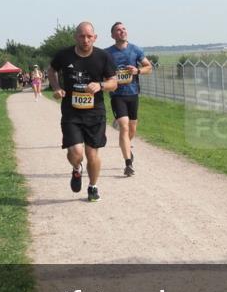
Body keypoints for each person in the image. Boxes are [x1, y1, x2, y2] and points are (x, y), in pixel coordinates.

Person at [47, 22, 116, 202]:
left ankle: (93, 187)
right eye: (81, 36)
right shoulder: (64, 55)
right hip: (71, 112)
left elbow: (113, 82)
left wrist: (100, 85)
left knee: (92, 154)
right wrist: (56, 87)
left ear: (95, 37)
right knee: (77, 153)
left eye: (89, 36)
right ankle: (76, 168)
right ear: (75, 37)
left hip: (95, 113)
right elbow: (51, 70)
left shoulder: (103, 57)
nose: (85, 40)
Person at [106, 22, 153, 176]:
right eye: (118, 30)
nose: (122, 31)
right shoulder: (107, 53)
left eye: (124, 29)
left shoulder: (135, 50)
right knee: (124, 127)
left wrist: (137, 70)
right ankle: (128, 163)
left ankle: (126, 147)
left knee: (131, 129)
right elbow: (100, 71)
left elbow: (149, 67)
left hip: (133, 94)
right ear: (113, 35)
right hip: (117, 95)